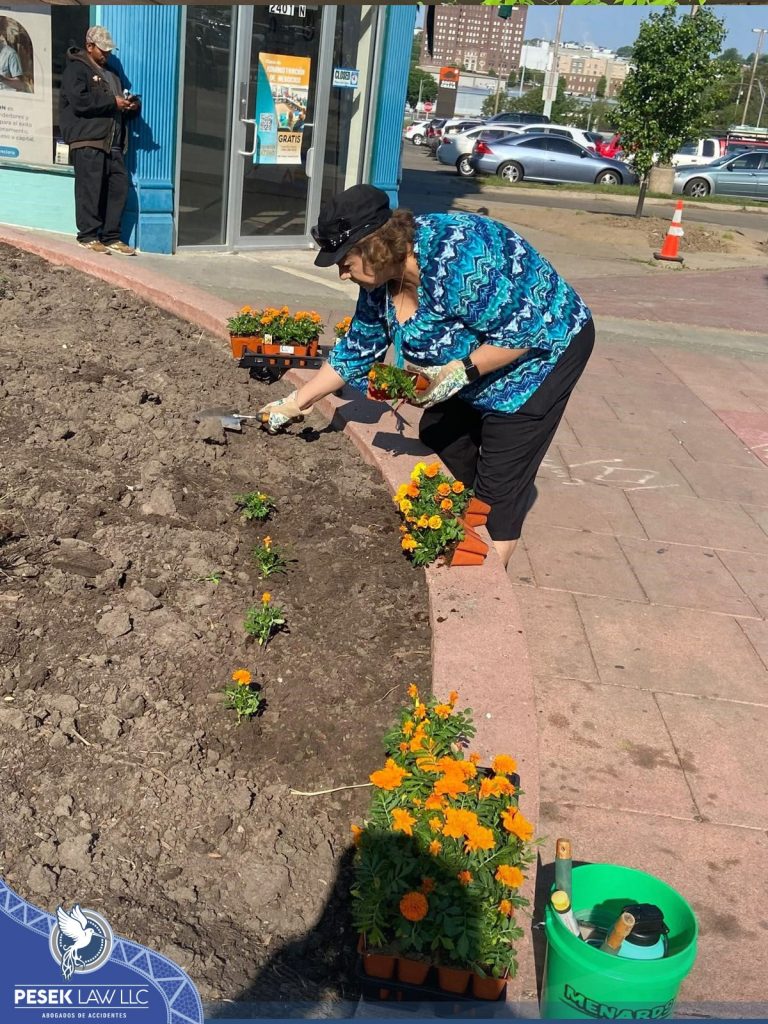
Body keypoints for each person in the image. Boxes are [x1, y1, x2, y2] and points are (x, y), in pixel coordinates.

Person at [259, 184, 594, 568]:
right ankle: (472, 496)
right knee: (438, 432)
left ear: (375, 248)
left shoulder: (457, 258)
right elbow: (357, 349)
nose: (341, 274)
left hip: (542, 354)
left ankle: (483, 585)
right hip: (483, 353)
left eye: (344, 263)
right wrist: (294, 403)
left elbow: (522, 333)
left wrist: (459, 371)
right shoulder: (380, 283)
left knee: (497, 494)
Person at [59, 26, 140, 255]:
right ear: (89, 46)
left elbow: (116, 104)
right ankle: (88, 235)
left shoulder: (113, 74)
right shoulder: (76, 70)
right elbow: (80, 101)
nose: (107, 54)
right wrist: (112, 102)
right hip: (88, 139)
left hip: (112, 142)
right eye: (102, 50)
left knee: (118, 188)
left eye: (109, 51)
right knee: (90, 190)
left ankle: (112, 236)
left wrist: (131, 106)